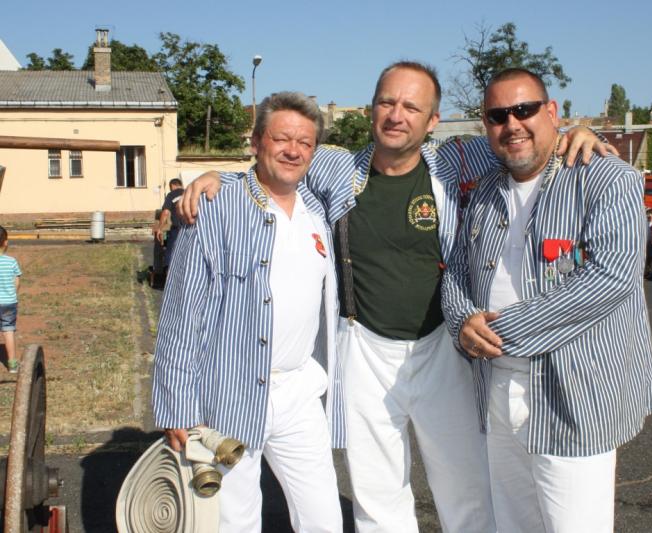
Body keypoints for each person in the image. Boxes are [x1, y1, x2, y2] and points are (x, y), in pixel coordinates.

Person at [179, 61, 612, 533]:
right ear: (371, 109)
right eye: (387, 102)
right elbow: (276, 164)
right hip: (365, 350)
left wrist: (574, 132)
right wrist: (220, 178)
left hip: (443, 347)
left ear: (433, 121)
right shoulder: (337, 168)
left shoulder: (457, 160)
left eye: (411, 106)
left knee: (466, 488)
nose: (396, 115)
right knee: (377, 495)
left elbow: (523, 137)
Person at [441, 68, 652, 532]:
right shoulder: (484, 189)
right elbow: (458, 270)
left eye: (524, 110)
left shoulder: (606, 178)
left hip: (574, 392)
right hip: (497, 388)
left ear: (552, 112)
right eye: (497, 116)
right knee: (513, 523)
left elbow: (611, 277)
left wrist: (497, 331)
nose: (512, 124)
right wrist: (462, 321)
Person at [152, 92, 344, 533]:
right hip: (230, 390)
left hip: (299, 391)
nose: (293, 150)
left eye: (305, 142)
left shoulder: (316, 211)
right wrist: (176, 403)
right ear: (256, 142)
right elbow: (181, 312)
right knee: (234, 522)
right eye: (281, 138)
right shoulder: (216, 207)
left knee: (324, 517)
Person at [0, 226, 21, 374]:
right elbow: (16, 282)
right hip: (9, 302)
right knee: (8, 330)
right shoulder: (12, 261)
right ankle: (12, 364)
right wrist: (12, 294)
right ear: (5, 242)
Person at [153, 178, 185, 270]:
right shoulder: (189, 192)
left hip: (178, 228)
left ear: (172, 185)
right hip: (192, 228)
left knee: (171, 252)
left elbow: (165, 212)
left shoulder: (171, 194)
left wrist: (160, 228)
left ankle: (169, 272)